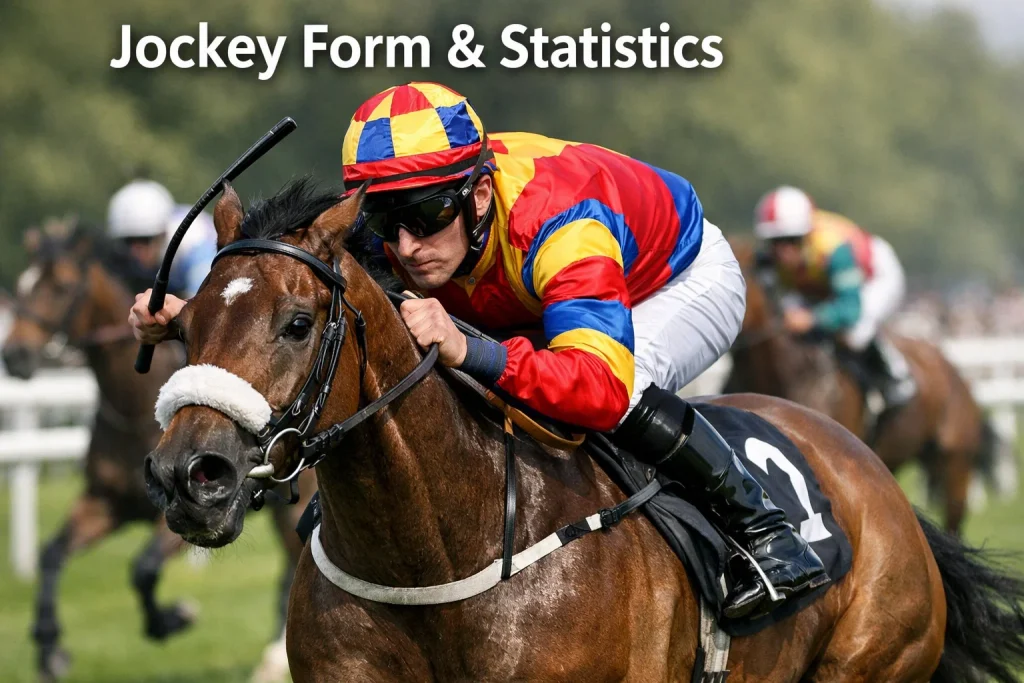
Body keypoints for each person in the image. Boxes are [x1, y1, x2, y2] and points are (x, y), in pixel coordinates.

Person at [130, 82, 827, 620]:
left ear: (480, 192)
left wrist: (473, 349)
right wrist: (189, 315)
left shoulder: (563, 225)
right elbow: (291, 288)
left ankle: (760, 524)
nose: (404, 246)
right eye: (386, 220)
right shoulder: (409, 219)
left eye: (427, 216)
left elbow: (597, 387)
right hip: (528, 294)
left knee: (619, 385)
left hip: (672, 276)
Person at [754, 186, 917, 410]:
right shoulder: (768, 259)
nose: (783, 252)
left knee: (854, 333)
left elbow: (850, 309)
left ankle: (894, 375)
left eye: (791, 240)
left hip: (875, 275)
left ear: (807, 235)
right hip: (824, 283)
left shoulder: (833, 248)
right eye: (776, 241)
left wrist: (812, 319)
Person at [106, 179, 217, 298]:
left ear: (163, 234)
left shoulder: (195, 244)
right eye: (128, 241)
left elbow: (203, 303)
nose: (135, 251)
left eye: (145, 240)